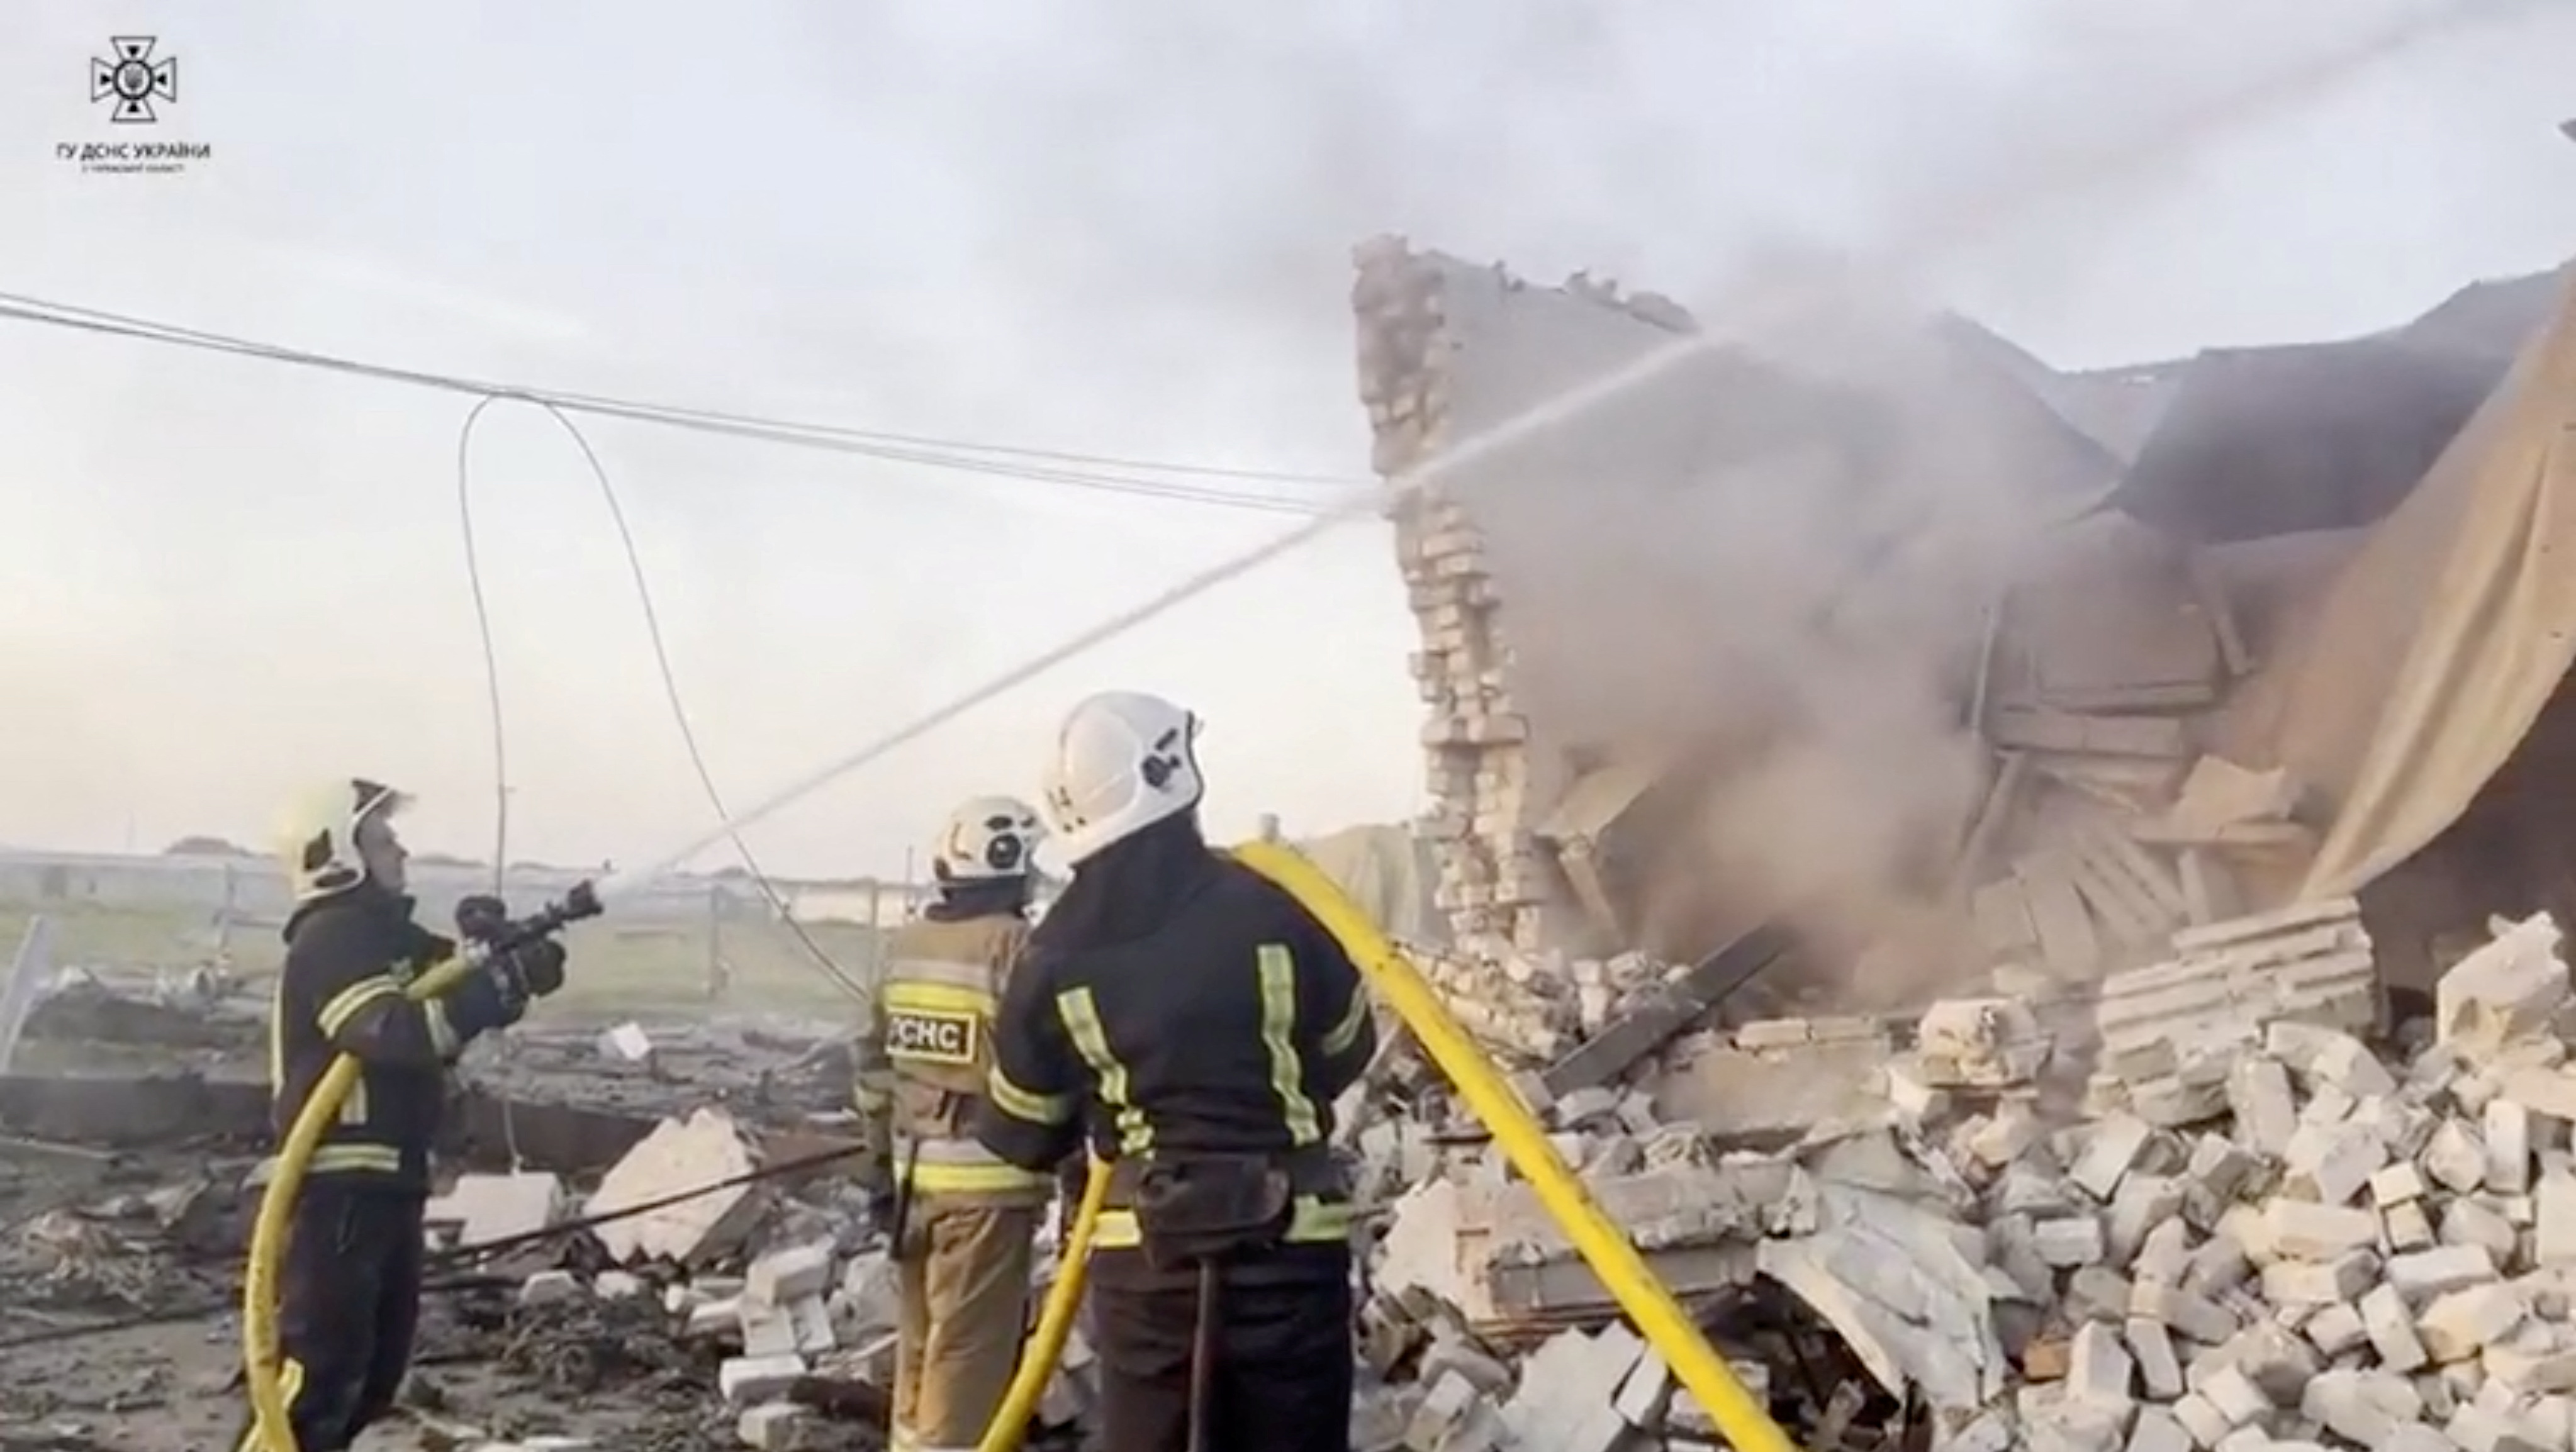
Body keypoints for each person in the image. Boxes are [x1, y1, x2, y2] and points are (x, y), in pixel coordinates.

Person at [975, 691, 1379, 1452]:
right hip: (1291, 1245)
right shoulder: (1274, 909)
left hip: (1143, 1259)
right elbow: (1347, 1048)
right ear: (1174, 774)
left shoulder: (1054, 956)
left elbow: (1022, 1132)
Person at [228, 778, 567, 1452]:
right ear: (337, 854)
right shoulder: (333, 939)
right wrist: (489, 988)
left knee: (372, 1378)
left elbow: (452, 981)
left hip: (388, 1184)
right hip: (339, 1188)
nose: (400, 848)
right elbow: (398, 1030)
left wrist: (506, 954)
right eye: (382, 838)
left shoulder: (385, 938)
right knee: (315, 1375)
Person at [853, 795, 1054, 1452]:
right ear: (1009, 865)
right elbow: (1049, 1065)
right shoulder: (1015, 948)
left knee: (921, 1348)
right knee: (967, 1358)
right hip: (988, 1193)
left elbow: (872, 1064)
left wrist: (877, 1165)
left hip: (914, 1183)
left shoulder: (905, 945)